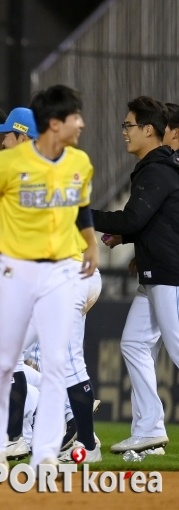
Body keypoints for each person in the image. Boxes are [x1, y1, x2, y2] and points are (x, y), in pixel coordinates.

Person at [0, 84, 98, 473]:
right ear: (55, 124)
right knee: (3, 361)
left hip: (60, 271)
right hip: (16, 270)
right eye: (75, 117)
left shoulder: (79, 162)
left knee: (56, 363)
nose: (82, 123)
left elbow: (83, 206)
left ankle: (44, 455)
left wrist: (90, 244)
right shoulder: (8, 163)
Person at [93, 96, 179, 454]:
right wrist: (129, 237)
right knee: (132, 343)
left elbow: (133, 217)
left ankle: (149, 429)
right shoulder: (156, 168)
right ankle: (149, 430)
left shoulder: (157, 170)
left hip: (170, 276)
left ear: (149, 130)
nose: (124, 132)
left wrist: (81, 214)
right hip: (156, 274)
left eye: (129, 125)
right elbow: (155, 221)